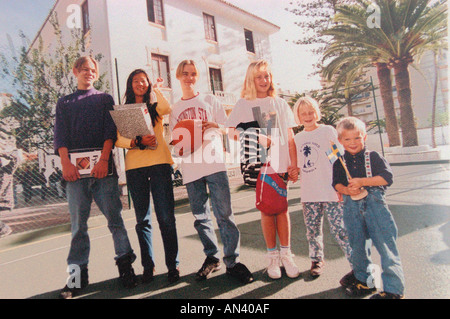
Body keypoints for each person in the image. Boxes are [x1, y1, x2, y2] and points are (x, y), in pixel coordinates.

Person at [53, 56, 137, 299]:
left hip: (103, 172)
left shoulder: (104, 99)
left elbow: (110, 132)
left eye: (92, 70)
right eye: (84, 69)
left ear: (96, 74)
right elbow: (61, 136)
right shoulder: (65, 102)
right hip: (74, 175)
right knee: (79, 226)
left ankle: (125, 267)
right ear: (75, 71)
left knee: (115, 220)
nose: (88, 73)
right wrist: (66, 164)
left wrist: (103, 160)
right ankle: (77, 276)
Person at [170, 59, 253, 284]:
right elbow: (176, 145)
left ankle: (233, 262)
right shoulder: (176, 108)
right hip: (191, 167)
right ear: (178, 76)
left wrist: (216, 127)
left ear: (197, 76)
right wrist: (188, 143)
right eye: (185, 73)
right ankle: (212, 257)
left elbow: (228, 128)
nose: (189, 77)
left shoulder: (210, 100)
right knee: (201, 217)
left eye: (193, 73)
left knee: (224, 214)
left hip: (214, 163)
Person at [225, 60, 300, 280]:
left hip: (281, 163)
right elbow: (230, 132)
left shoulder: (279, 103)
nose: (264, 81)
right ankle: (272, 258)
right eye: (259, 77)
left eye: (267, 76)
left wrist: (293, 164)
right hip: (257, 164)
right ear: (251, 79)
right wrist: (255, 135)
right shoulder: (243, 104)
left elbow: (289, 137)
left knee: (282, 208)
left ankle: (287, 254)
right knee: (267, 210)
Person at [115, 69, 179, 284]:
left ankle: (173, 265)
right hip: (135, 168)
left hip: (160, 165)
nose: (140, 84)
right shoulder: (125, 110)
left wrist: (158, 89)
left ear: (148, 83)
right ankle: (148, 266)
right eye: (136, 80)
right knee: (142, 220)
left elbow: (168, 107)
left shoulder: (155, 107)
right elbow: (119, 139)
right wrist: (136, 142)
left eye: (144, 80)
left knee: (166, 218)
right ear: (130, 84)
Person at [332, 117, 405, 299]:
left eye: (357, 138)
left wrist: (363, 181)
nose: (353, 143)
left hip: (376, 207)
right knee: (357, 247)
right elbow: (336, 185)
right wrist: (346, 189)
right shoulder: (339, 162)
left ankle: (394, 290)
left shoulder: (373, 157)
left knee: (386, 247)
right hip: (351, 209)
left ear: (364, 136)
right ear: (340, 141)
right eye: (347, 139)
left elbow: (387, 178)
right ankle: (365, 282)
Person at [292, 96, 354, 284]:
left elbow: (338, 158)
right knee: (312, 230)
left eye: (311, 112)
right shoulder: (297, 138)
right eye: (304, 114)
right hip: (309, 194)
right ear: (298, 116)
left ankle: (357, 263)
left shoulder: (327, 131)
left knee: (340, 230)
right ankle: (316, 260)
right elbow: (298, 166)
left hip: (331, 191)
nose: (308, 116)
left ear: (316, 112)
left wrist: (341, 186)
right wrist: (293, 171)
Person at [0, 150, 19, 238]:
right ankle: (3, 229)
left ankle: (4, 229)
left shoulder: (6, 171)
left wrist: (3, 153)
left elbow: (16, 159)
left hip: (4, 200)